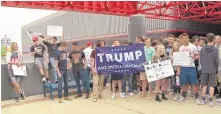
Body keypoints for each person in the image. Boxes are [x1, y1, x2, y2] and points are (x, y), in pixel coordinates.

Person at [177, 33, 200, 104]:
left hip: (191, 67)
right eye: (183, 38)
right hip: (183, 68)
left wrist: (194, 57)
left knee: (194, 83)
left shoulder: (193, 47)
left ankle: (196, 98)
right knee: (183, 83)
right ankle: (183, 96)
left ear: (188, 38)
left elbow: (198, 56)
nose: (184, 39)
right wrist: (178, 69)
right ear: (181, 39)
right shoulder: (180, 48)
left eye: (185, 38)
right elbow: (179, 59)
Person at [199, 33, 218, 107]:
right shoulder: (215, 49)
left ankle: (203, 100)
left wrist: (203, 67)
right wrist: (216, 70)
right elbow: (216, 61)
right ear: (213, 39)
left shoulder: (202, 48)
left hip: (204, 69)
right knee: (212, 86)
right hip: (212, 69)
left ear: (206, 39)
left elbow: (201, 60)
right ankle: (210, 101)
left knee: (204, 85)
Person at [215, 35, 221, 99]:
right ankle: (216, 90)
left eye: (217, 39)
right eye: (215, 39)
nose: (216, 40)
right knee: (216, 79)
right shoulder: (214, 46)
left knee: (220, 80)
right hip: (215, 65)